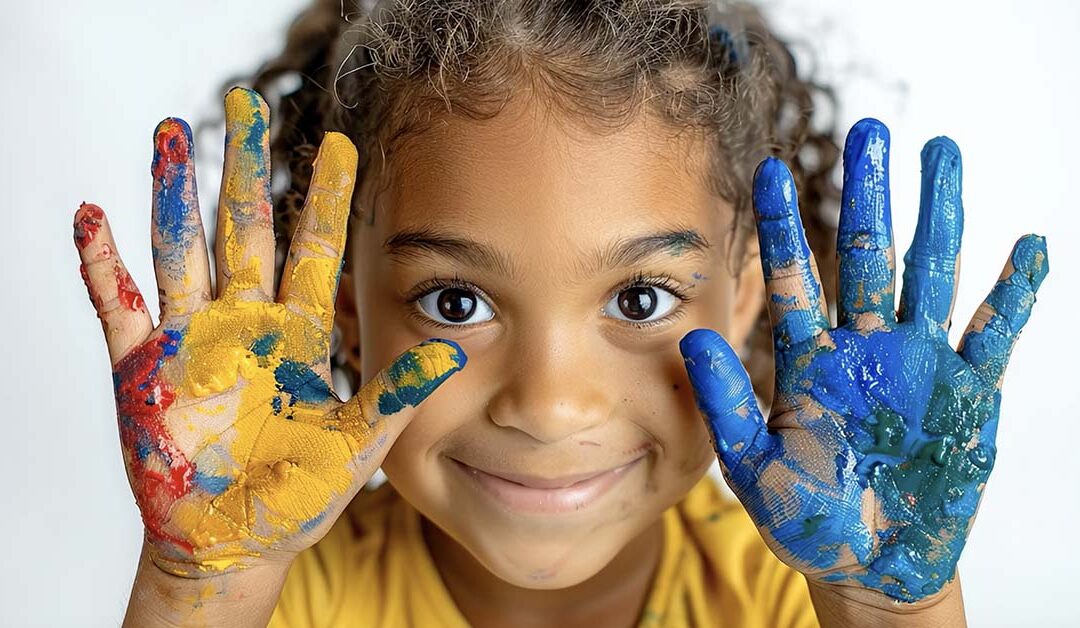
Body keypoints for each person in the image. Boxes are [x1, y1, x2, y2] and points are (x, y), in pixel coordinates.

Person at [72, 1, 1048, 626]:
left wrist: (887, 610)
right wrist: (198, 593)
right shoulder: (277, 591)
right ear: (345, 312)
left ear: (746, 291)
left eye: (639, 297)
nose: (549, 404)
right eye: (456, 301)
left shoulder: (795, 595)